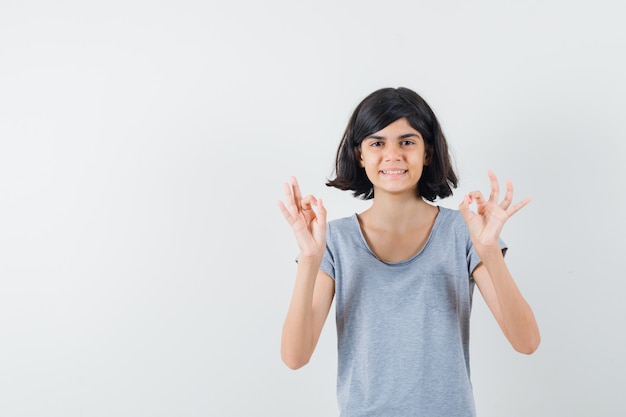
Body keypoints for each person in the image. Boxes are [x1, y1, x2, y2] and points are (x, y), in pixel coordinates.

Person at [278, 87, 540, 417]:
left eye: (407, 141)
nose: (393, 155)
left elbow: (526, 342)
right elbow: (295, 357)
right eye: (377, 143)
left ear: (427, 152)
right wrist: (309, 260)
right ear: (360, 155)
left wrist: (488, 250)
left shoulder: (464, 232)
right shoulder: (335, 240)